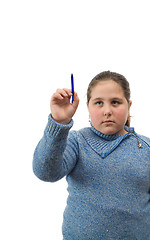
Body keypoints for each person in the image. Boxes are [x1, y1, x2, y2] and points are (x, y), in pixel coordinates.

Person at [33, 71, 150, 240]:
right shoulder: (77, 142)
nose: (107, 111)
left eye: (115, 102)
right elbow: (45, 172)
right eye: (99, 103)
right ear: (88, 106)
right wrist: (59, 122)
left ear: (129, 105)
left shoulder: (145, 148)